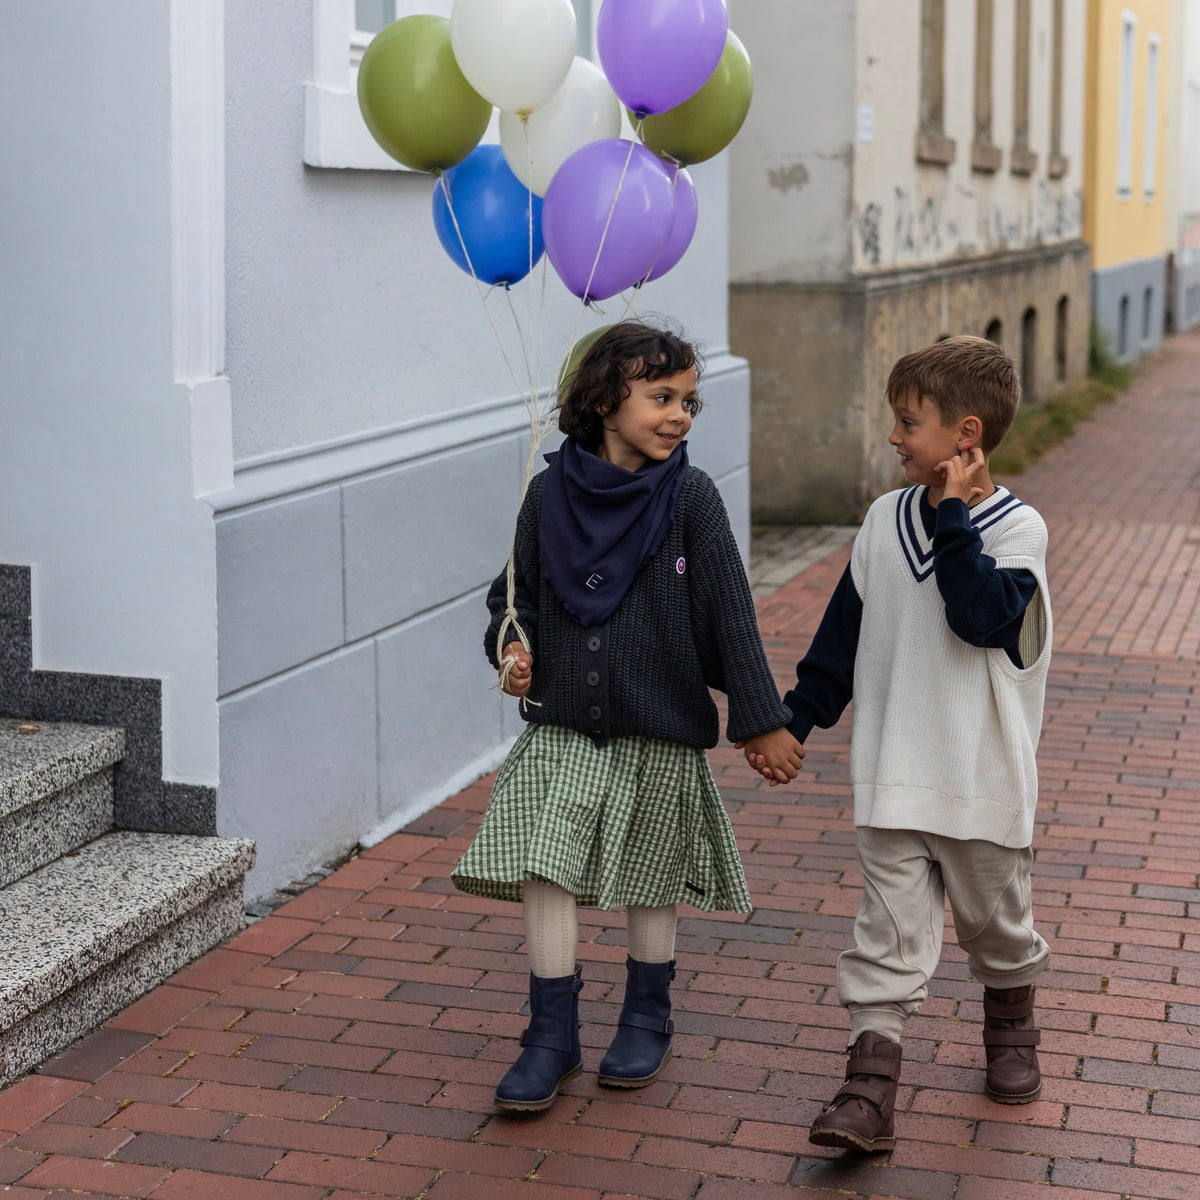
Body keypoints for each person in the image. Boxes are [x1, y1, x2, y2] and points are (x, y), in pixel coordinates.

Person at [453, 320, 805, 1113]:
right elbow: (515, 600)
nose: (680, 413)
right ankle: (551, 1035)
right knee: (546, 862)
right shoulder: (547, 493)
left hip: (660, 723)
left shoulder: (692, 498)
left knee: (651, 872)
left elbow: (731, 618)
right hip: (565, 722)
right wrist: (512, 649)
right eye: (661, 396)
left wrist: (761, 719)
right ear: (606, 399)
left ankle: (648, 1013)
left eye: (689, 400)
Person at [750, 335, 1053, 1151]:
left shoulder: (1021, 532)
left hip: (981, 782)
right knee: (885, 938)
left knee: (998, 930)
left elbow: (979, 615)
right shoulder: (884, 521)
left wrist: (955, 515)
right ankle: (868, 1092)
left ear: (965, 434)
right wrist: (795, 716)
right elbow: (841, 639)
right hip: (891, 775)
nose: (893, 436)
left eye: (908, 422)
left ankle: (1011, 1028)